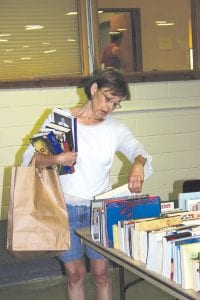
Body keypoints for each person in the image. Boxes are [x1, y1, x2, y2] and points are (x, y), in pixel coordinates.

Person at [22, 67, 153, 300]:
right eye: (107, 99)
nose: (109, 107)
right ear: (94, 89)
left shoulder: (114, 128)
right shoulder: (61, 120)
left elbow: (137, 149)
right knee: (74, 273)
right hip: (64, 210)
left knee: (102, 273)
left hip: (98, 211)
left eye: (116, 103)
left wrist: (139, 163)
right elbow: (30, 160)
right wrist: (57, 158)